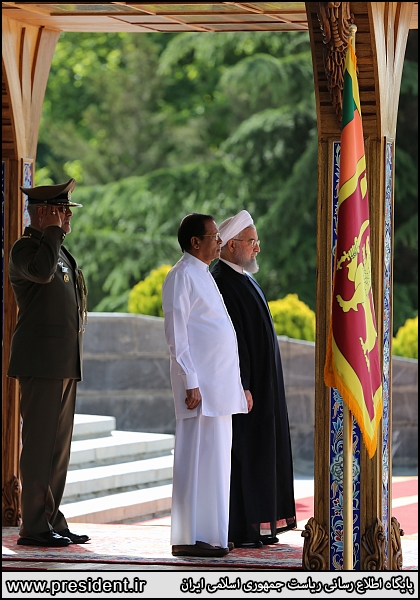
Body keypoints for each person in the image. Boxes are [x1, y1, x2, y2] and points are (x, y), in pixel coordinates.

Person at [162, 213, 252, 558]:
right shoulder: (181, 275)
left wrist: (237, 384)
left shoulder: (204, 275)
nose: (219, 241)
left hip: (219, 386)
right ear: (195, 242)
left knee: (216, 462)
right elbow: (177, 334)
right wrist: (189, 380)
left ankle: (212, 535)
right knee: (195, 460)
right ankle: (188, 535)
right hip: (199, 390)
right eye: (213, 236)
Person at [7, 178, 90, 547]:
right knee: (40, 446)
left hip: (62, 363)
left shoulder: (59, 251)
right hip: (40, 363)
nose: (68, 217)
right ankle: (34, 526)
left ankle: (52, 517)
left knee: (58, 449)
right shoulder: (25, 249)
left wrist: (55, 234)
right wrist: (52, 231)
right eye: (62, 210)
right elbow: (40, 273)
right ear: (45, 212)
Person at [211, 209, 297, 548]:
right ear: (231, 245)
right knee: (245, 455)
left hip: (263, 385)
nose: (257, 248)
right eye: (252, 242)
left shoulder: (243, 277)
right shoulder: (222, 280)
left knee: (263, 452)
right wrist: (243, 384)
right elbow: (233, 342)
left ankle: (263, 524)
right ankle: (245, 527)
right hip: (246, 390)